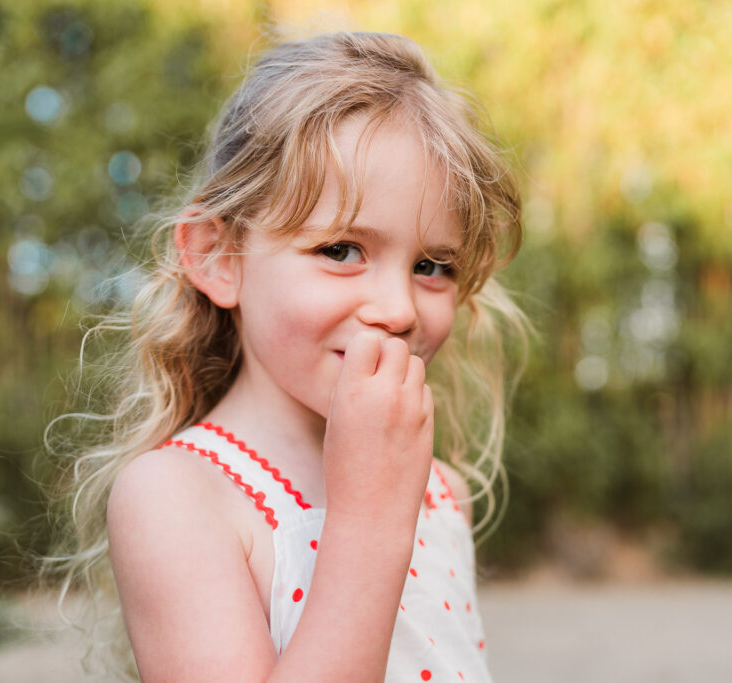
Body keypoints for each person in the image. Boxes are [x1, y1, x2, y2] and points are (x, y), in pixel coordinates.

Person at [47, 31, 525, 682]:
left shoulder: (444, 493)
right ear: (219, 257)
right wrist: (372, 521)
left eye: (432, 265)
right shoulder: (178, 496)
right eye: (341, 250)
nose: (399, 308)